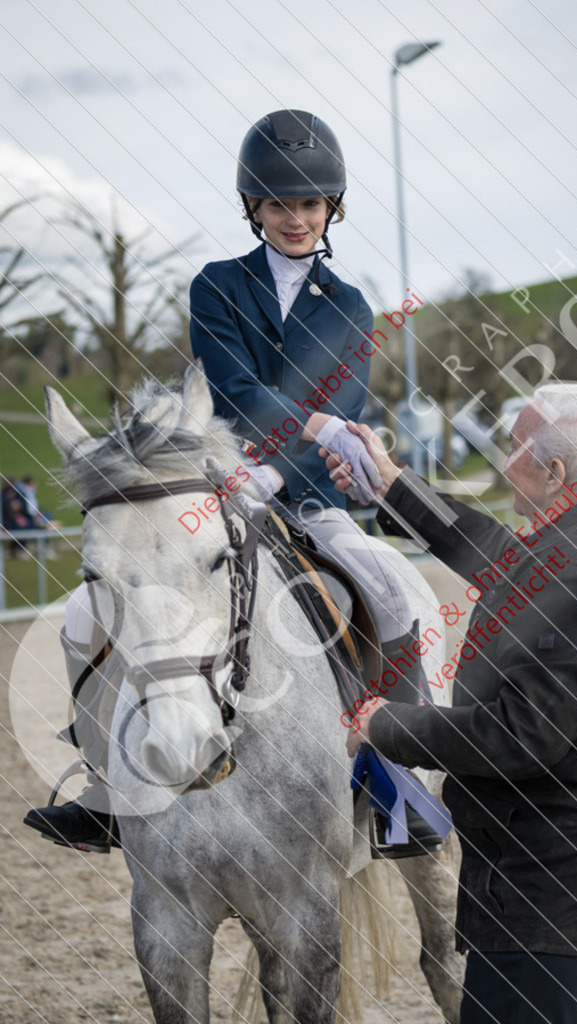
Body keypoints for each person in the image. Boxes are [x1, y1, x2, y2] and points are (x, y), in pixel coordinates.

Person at [24, 109, 439, 854]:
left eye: (311, 204)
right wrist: (293, 438)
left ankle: (399, 786)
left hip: (310, 495)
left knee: (389, 587)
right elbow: (236, 389)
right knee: (84, 618)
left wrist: (287, 462)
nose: (295, 218)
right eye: (279, 204)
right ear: (253, 207)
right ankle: (104, 791)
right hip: (215, 487)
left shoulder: (347, 307)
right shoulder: (216, 287)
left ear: (331, 209)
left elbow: (342, 412)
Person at [325, 384, 577, 1023]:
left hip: (553, 903)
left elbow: (519, 736)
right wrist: (390, 486)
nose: (501, 460)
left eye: (514, 447)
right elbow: (506, 560)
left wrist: (386, 723)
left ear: (556, 473)